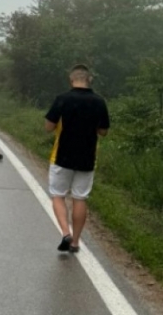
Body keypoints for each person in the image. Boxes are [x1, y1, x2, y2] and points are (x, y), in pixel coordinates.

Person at [44, 64, 110, 253]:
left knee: (58, 195)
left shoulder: (62, 99)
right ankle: (75, 242)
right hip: (87, 158)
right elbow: (103, 131)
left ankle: (66, 232)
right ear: (89, 80)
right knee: (80, 198)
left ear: (71, 80)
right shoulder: (99, 102)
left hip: (62, 156)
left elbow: (48, 127)